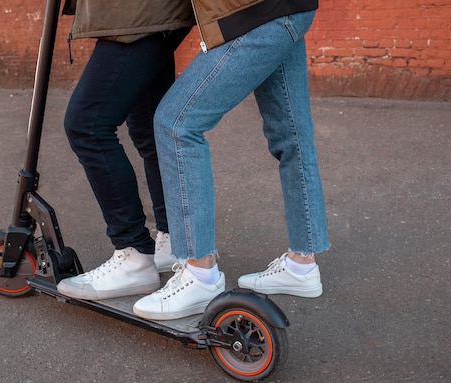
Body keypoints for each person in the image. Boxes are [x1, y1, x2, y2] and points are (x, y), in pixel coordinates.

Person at [132, 0, 330, 320]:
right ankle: (301, 265)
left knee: (176, 123)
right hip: (288, 8)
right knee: (292, 136)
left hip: (250, 13)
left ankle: (200, 275)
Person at [56, 0, 193, 300]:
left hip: (139, 13)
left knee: (86, 125)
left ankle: (133, 256)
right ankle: (173, 241)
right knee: (150, 129)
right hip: (152, 14)